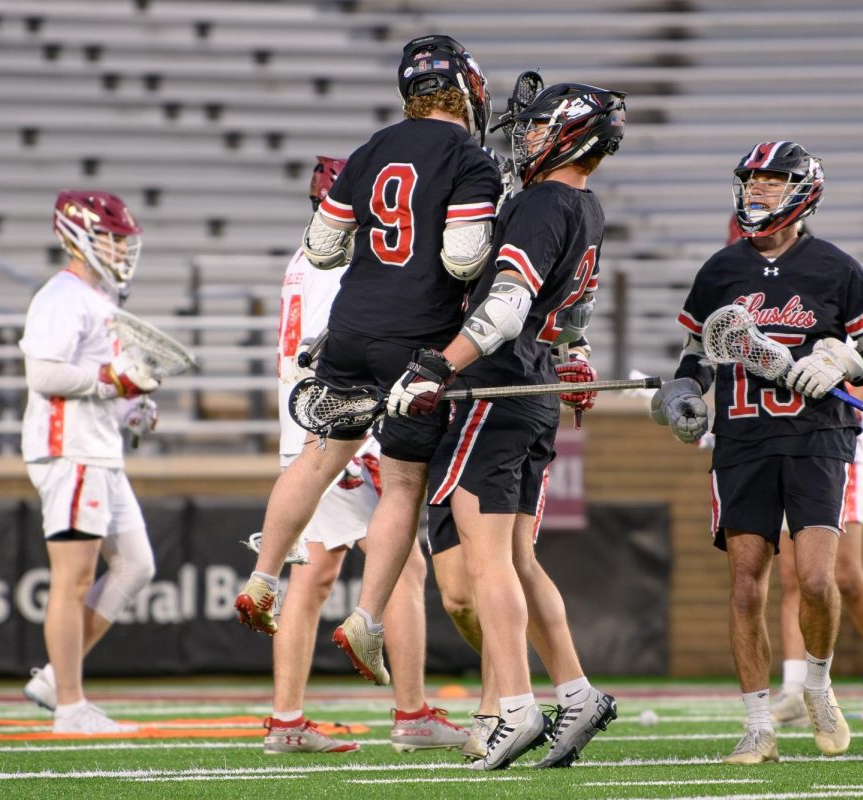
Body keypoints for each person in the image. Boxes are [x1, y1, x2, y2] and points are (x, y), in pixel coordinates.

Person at [233, 34, 501, 692]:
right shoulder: (471, 157)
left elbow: (323, 247)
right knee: (404, 483)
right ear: (467, 89)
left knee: (320, 456)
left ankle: (263, 575)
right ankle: (366, 617)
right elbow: (465, 258)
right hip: (415, 340)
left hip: (350, 327)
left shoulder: (371, 148)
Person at [384, 82, 626, 770]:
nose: (524, 138)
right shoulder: (588, 205)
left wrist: (438, 366)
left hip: (497, 387)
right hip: (534, 390)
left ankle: (517, 707)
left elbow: (506, 306)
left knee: (491, 562)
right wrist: (574, 357)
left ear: (571, 134)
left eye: (539, 127)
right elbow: (576, 308)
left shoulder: (544, 202)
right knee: (518, 559)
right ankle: (576, 693)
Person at [650, 141, 863, 764]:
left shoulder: (836, 268)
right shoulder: (719, 269)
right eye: (751, 181)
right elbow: (696, 355)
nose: (757, 191)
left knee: (817, 579)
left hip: (818, 437)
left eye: (772, 180)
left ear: (803, 189)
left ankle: (818, 686)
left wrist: (846, 359)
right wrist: (684, 394)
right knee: (745, 586)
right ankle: (759, 724)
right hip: (742, 437)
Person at [257, 156, 465, 754]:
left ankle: (288, 720)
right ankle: (411, 714)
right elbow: (338, 354)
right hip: (337, 431)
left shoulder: (305, 259)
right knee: (400, 567)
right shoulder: (339, 264)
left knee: (316, 575)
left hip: (310, 428)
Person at [19, 190, 160, 734]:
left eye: (125, 241)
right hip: (70, 449)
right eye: (111, 239)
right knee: (73, 577)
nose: (121, 250)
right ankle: (70, 707)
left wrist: (132, 408)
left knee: (136, 565)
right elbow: (46, 375)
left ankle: (58, 678)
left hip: (98, 448)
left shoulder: (99, 299)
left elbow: (101, 383)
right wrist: (112, 383)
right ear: (76, 236)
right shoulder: (63, 295)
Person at [771, 382, 863, 726]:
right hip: (788, 437)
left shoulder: (855, 324)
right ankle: (794, 689)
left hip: (838, 440)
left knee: (845, 573)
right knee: (793, 575)